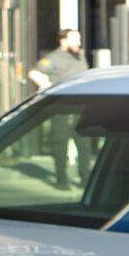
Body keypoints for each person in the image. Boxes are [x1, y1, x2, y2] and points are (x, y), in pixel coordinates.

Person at [29, 30, 88, 189]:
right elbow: (34, 72)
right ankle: (61, 180)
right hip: (62, 109)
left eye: (79, 39)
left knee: (84, 145)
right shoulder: (54, 58)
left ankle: (86, 180)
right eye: (75, 39)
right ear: (63, 41)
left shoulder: (80, 56)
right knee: (60, 145)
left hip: (81, 108)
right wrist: (51, 89)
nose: (79, 42)